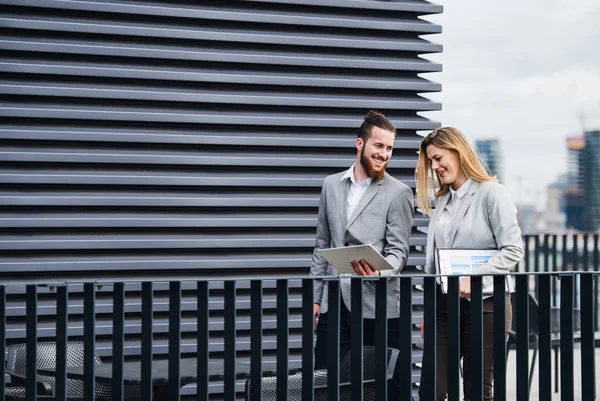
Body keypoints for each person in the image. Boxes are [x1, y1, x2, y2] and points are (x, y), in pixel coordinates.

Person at [310, 110, 414, 400]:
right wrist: (315, 298)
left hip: (376, 303)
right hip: (334, 301)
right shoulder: (331, 184)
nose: (384, 154)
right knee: (326, 382)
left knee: (379, 387)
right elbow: (322, 244)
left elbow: (398, 252)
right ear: (360, 144)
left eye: (390, 148)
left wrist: (380, 272)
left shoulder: (399, 192)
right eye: (379, 146)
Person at [415, 127, 524, 400]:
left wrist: (474, 277)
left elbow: (513, 250)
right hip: (443, 306)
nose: (435, 167)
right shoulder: (441, 201)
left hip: (486, 305)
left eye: (438, 158)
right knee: (431, 388)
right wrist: (429, 310)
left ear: (457, 151)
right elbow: (435, 263)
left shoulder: (492, 193)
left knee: (477, 389)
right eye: (430, 162)